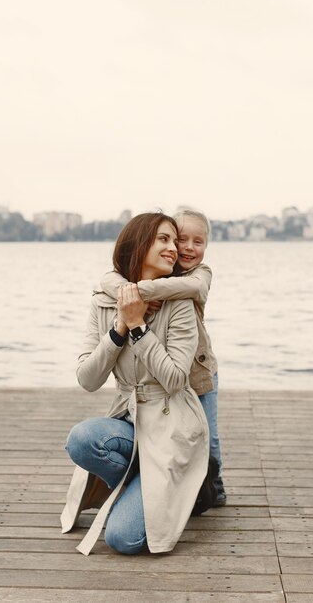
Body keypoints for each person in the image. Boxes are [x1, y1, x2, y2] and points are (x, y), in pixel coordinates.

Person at [61, 212, 210, 556]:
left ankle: (169, 488)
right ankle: (143, 485)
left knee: (122, 540)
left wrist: (139, 326)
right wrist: (120, 328)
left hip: (171, 424)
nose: (174, 248)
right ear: (138, 244)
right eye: (163, 239)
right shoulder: (102, 302)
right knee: (82, 439)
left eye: (174, 240)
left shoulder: (181, 305)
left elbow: (174, 380)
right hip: (129, 418)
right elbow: (87, 379)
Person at [100, 208, 226, 506]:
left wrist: (141, 291)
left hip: (199, 372)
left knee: (208, 436)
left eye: (199, 241)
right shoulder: (164, 269)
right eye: (182, 239)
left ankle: (214, 486)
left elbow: (193, 288)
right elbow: (107, 280)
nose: (189, 248)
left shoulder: (199, 274)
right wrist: (132, 293)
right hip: (165, 370)